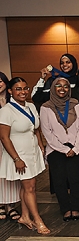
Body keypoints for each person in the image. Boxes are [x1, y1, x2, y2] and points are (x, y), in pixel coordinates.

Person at [0, 77, 50, 234]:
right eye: (18, 89)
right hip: (19, 154)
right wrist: (16, 159)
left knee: (26, 186)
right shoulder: (6, 111)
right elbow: (4, 137)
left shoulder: (31, 106)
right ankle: (38, 220)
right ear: (10, 91)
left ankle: (25, 216)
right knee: (30, 187)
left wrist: (41, 146)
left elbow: (35, 128)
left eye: (25, 88)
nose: (23, 92)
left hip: (32, 152)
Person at [40, 77, 79, 222]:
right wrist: (63, 149)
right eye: (58, 86)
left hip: (76, 147)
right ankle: (65, 208)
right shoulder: (45, 107)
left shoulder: (74, 104)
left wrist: (76, 147)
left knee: (76, 179)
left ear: (69, 88)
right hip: (56, 149)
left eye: (66, 86)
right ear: (53, 88)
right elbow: (46, 132)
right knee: (59, 180)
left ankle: (75, 207)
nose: (62, 89)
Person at [0, 72, 22, 223]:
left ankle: (11, 205)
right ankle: (0, 203)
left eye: (1, 81)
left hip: (12, 140)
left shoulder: (13, 100)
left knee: (11, 172)